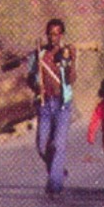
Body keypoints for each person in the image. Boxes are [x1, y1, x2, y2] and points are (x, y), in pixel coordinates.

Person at [27, 18, 77, 195]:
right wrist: (36, 86)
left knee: (58, 144)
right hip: (44, 104)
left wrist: (73, 59)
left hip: (62, 103)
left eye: (56, 34)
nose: (52, 37)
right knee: (42, 146)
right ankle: (58, 172)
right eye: (50, 33)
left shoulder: (65, 54)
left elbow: (71, 80)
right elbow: (30, 78)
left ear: (61, 35)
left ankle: (55, 185)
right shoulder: (39, 55)